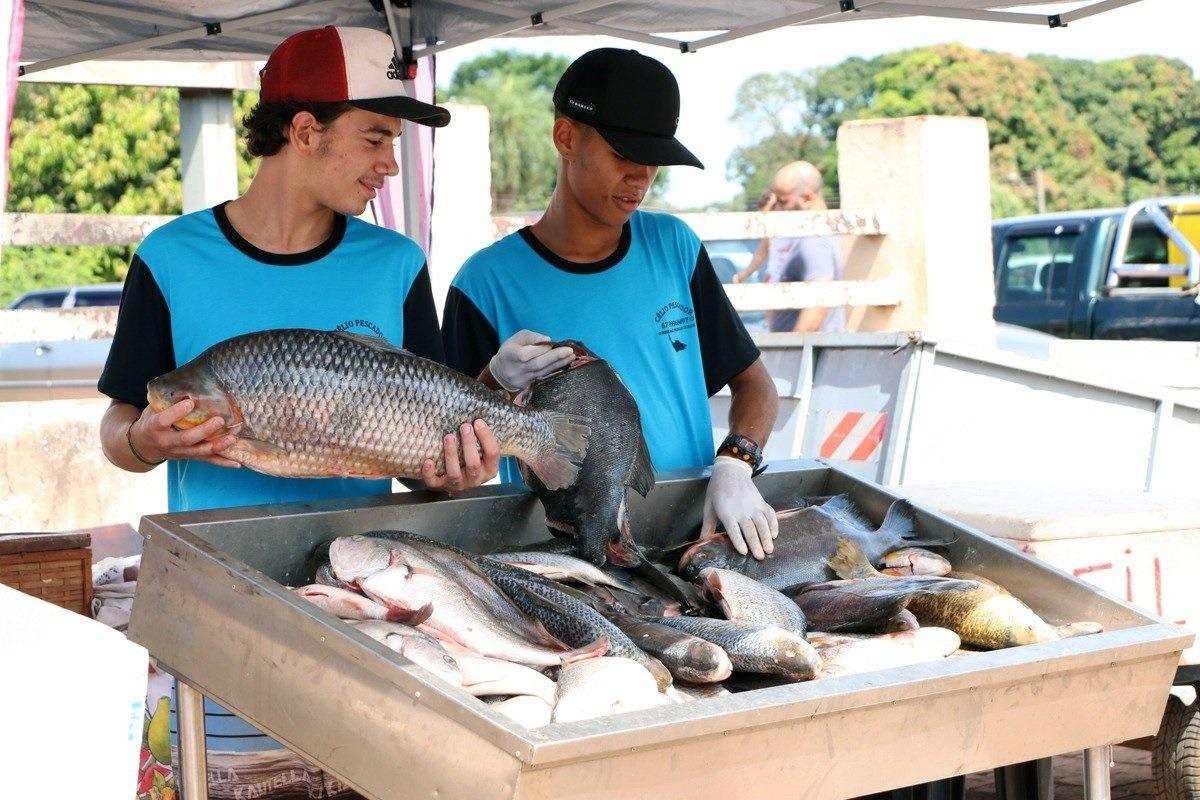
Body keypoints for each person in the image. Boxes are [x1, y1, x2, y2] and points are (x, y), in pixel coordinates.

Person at [97, 26, 503, 799]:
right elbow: (118, 432)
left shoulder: (397, 263)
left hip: (365, 616)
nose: (390, 164)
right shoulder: (171, 256)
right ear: (306, 131)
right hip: (217, 615)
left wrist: (456, 476)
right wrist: (146, 438)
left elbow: (428, 468)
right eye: (376, 138)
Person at [442, 47, 782, 561]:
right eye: (624, 155)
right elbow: (449, 441)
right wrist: (491, 381)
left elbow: (755, 385)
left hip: (694, 537)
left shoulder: (675, 248)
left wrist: (736, 463)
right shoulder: (484, 283)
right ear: (566, 138)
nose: (641, 177)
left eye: (654, 161)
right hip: (567, 553)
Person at [762, 161, 847, 333]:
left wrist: (791, 346)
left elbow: (819, 302)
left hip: (806, 348)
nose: (777, 209)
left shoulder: (813, 240)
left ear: (807, 198)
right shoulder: (819, 233)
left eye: (782, 201)